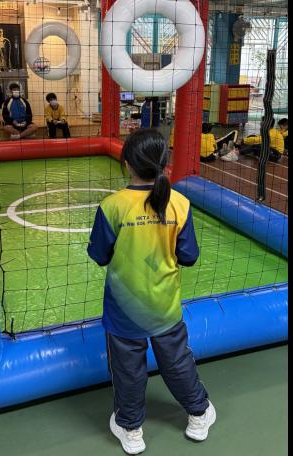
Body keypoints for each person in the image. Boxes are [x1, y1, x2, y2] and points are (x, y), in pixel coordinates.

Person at [88, 129, 216, 455]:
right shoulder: (180, 203)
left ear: (127, 164)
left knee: (128, 370)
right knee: (176, 362)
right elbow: (189, 256)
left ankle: (131, 428)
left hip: (123, 310)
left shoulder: (112, 206)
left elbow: (99, 255)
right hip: (164, 306)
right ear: (164, 162)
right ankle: (199, 413)